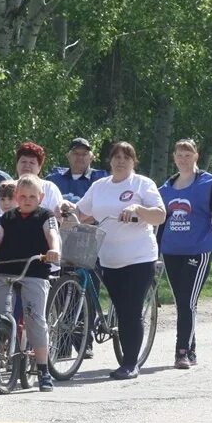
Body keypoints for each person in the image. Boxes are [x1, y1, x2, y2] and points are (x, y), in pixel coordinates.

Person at [75, 141, 166, 379]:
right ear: (109, 160)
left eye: (126, 157)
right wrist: (64, 211)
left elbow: (160, 215)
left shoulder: (142, 184)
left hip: (139, 256)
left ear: (133, 161)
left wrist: (137, 208)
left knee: (130, 310)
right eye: (116, 156)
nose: (121, 161)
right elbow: (81, 212)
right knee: (120, 308)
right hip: (108, 258)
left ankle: (130, 363)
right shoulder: (99, 186)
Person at [0, 175, 62, 391]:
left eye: (32, 196)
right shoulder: (7, 218)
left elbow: (52, 234)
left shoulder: (46, 216)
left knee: (35, 318)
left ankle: (43, 369)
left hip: (34, 271)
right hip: (5, 270)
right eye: (22, 196)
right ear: (16, 197)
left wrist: (54, 250)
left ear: (41, 197)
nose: (27, 200)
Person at [157, 139, 212, 369]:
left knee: (188, 300)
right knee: (183, 302)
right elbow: (161, 221)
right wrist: (157, 248)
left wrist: (208, 240)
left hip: (198, 250)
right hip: (171, 251)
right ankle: (192, 348)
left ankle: (182, 352)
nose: (183, 159)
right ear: (174, 157)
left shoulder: (208, 182)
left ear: (196, 156)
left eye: (188, 154)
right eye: (179, 155)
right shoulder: (165, 189)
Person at [0, 142, 65, 223]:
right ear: (17, 164)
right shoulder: (8, 187)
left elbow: (59, 218)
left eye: (32, 163)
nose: (27, 166)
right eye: (23, 161)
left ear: (39, 167)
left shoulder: (49, 188)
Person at [47, 138, 107, 203]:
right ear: (68, 156)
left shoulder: (101, 180)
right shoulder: (54, 179)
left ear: (91, 157)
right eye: (76, 153)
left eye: (84, 154)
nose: (80, 157)